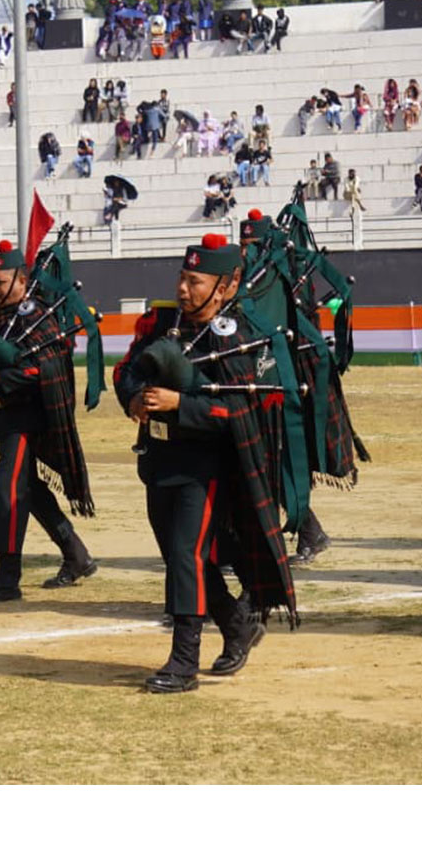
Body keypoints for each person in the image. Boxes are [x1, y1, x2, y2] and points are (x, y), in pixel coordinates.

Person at [112, 234, 299, 693]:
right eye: (182, 277)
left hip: (208, 464)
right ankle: (237, 626)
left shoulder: (240, 336)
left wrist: (180, 404)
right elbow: (126, 370)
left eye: (195, 281)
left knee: (186, 555)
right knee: (180, 557)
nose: (183, 289)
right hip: (159, 457)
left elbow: (241, 411)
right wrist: (134, 398)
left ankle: (183, 662)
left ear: (227, 285)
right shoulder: (163, 324)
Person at [0, 241, 99, 603]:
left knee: (8, 487)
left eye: (0, 281)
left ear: (21, 280)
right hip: (3, 416)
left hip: (30, 416)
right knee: (30, 489)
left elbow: (45, 368)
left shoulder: (37, 314)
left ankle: (8, 576)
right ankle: (76, 554)